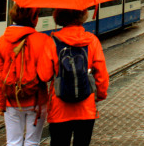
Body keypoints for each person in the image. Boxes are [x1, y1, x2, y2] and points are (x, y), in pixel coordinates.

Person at [45, 8, 108, 146]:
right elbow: (101, 73)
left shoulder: (52, 42)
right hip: (86, 108)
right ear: (82, 15)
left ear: (59, 16)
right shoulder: (92, 40)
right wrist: (100, 94)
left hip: (59, 109)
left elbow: (45, 75)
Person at [0, 4, 53, 146]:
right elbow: (46, 76)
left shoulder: (2, 41)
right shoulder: (43, 40)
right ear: (33, 18)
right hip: (37, 101)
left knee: (13, 142)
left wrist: (2, 104)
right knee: (32, 142)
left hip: (11, 100)